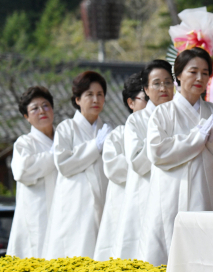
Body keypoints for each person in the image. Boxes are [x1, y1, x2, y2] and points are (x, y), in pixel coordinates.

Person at [140, 47, 213, 265]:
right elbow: (157, 152)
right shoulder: (163, 113)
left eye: (205, 73)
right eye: (193, 71)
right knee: (176, 256)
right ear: (178, 75)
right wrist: (195, 138)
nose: (199, 78)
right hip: (174, 193)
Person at [43, 71, 112, 259]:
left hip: (103, 201)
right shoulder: (66, 128)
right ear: (77, 99)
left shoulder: (107, 131)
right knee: (75, 252)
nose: (95, 99)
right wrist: (94, 146)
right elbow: (64, 164)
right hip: (75, 203)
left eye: (100, 94)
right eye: (89, 95)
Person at [113, 60, 174, 260]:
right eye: (156, 83)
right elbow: (138, 163)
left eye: (168, 82)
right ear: (146, 89)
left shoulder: (181, 117)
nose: (163, 88)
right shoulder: (136, 121)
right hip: (146, 196)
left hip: (175, 196)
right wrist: (160, 140)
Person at [93, 73, 147, 261]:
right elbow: (113, 168)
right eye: (145, 97)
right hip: (124, 205)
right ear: (131, 102)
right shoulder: (117, 135)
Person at [7, 87, 57, 258]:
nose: (42, 111)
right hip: (37, 214)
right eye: (35, 108)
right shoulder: (24, 143)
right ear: (26, 117)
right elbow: (23, 170)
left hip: (63, 210)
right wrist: (56, 155)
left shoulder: (65, 139)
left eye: (46, 105)